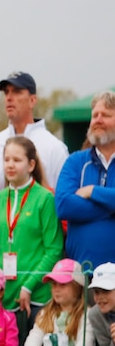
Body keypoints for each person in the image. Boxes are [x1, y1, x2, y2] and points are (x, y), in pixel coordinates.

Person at [0, 136, 64, 316]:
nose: (10, 165)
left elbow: (54, 250)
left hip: (37, 296)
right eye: (6, 160)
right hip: (3, 298)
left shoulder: (45, 199)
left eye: (17, 160)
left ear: (31, 165)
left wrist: (28, 285)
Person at [0, 72, 68, 197]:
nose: (9, 98)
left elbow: (62, 198)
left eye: (16, 92)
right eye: (6, 92)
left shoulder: (55, 148)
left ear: (32, 100)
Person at [55, 90, 115, 269]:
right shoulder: (75, 161)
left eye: (105, 115)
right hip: (80, 275)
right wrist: (110, 208)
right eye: (94, 115)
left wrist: (93, 191)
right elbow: (63, 205)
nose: (98, 120)